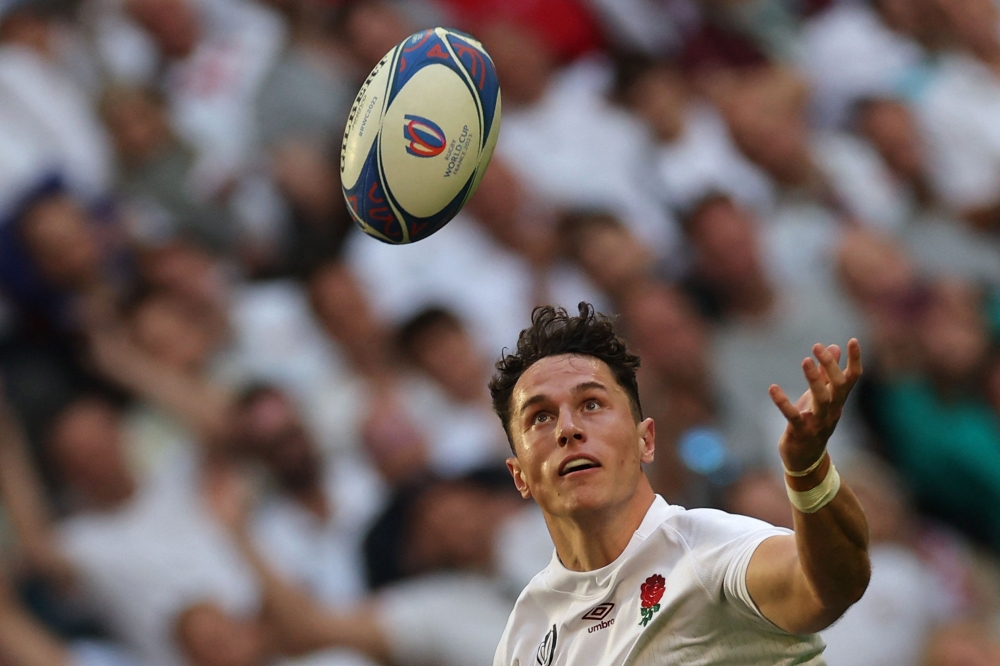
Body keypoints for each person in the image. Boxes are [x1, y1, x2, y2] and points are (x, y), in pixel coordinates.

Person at [490, 303, 870, 665]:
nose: (568, 428)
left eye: (591, 404)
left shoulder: (711, 552)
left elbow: (831, 587)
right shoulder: (526, 632)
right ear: (519, 475)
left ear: (646, 441)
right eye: (540, 417)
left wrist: (808, 471)